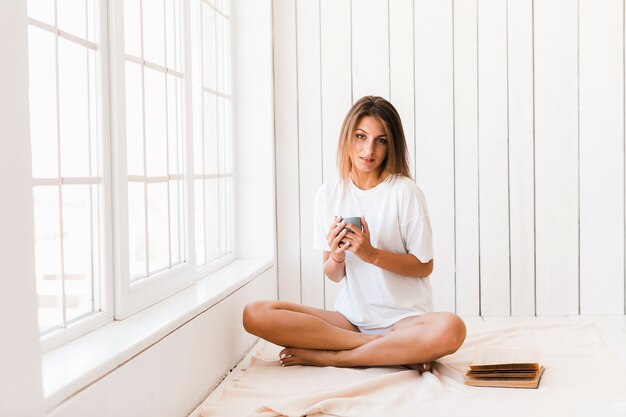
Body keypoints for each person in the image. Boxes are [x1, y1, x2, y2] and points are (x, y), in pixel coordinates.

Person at [243, 96, 466, 372]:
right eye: (361, 137)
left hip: (405, 321)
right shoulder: (329, 193)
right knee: (255, 314)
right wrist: (336, 256)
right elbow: (333, 274)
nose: (368, 149)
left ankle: (336, 357)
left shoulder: (405, 191)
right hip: (350, 321)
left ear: (391, 145)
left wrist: (370, 254)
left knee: (452, 328)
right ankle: (381, 346)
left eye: (380, 140)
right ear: (348, 137)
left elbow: (424, 266)